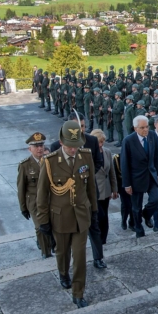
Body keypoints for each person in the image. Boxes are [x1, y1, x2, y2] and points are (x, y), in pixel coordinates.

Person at [37, 121, 97, 309]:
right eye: (70, 146)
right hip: (60, 217)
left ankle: (78, 292)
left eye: (77, 145)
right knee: (62, 253)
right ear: (62, 142)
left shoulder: (86, 156)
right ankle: (63, 273)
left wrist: (94, 211)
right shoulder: (50, 161)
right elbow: (42, 194)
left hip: (81, 216)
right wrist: (43, 220)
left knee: (79, 256)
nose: (74, 149)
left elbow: (91, 187)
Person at [50, 112, 107, 270]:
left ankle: (98, 258)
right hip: (68, 195)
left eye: (82, 126)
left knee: (94, 225)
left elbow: (98, 161)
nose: (81, 130)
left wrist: (85, 175)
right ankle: (66, 266)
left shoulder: (92, 140)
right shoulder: (56, 146)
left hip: (88, 191)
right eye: (77, 127)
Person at [121, 115, 158, 238]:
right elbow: (124, 163)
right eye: (142, 127)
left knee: (156, 200)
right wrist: (127, 184)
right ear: (135, 128)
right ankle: (139, 229)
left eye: (147, 126)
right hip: (136, 179)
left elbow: (156, 156)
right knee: (136, 208)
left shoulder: (152, 136)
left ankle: (146, 214)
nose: (145, 130)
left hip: (151, 176)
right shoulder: (128, 141)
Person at [17, 132, 53, 258]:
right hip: (34, 201)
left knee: (52, 225)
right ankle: (46, 252)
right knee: (40, 227)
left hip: (50, 199)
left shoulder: (49, 160)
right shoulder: (25, 165)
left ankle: (52, 246)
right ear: (29, 149)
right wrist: (23, 208)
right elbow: (21, 188)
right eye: (36, 146)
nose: (39, 148)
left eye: (41, 145)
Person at [90, 129, 118, 244]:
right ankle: (96, 239)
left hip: (106, 190)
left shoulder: (107, 152)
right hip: (94, 191)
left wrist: (114, 189)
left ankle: (103, 240)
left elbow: (112, 172)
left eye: (102, 142)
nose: (101, 145)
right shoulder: (88, 154)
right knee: (98, 216)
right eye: (98, 142)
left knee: (104, 215)